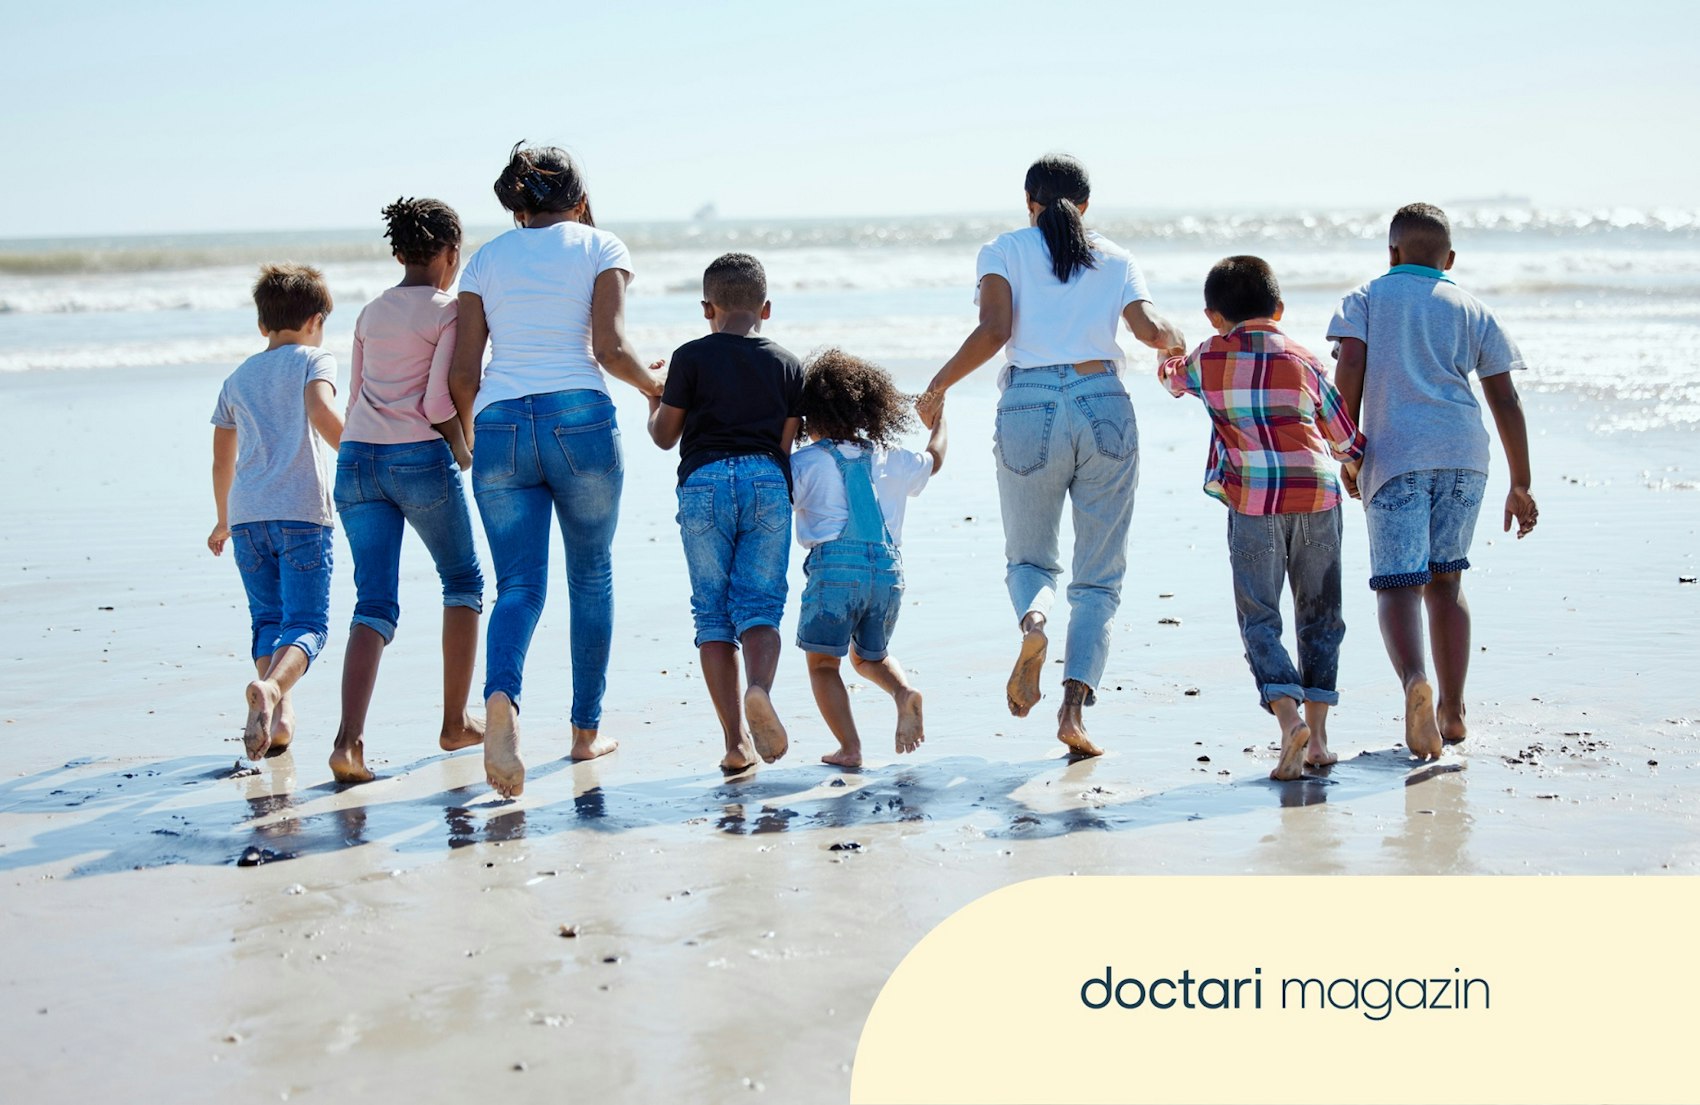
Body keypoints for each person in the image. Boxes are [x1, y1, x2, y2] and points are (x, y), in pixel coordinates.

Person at [917, 154, 1184, 758]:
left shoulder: (1003, 249)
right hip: (1103, 404)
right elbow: (1147, 330)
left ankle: (1034, 627)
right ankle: (1071, 714)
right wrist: (1178, 339)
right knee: (1099, 574)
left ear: (1028, 201)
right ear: (1086, 206)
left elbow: (993, 332)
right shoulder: (1115, 257)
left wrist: (937, 388)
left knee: (1031, 559)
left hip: (1029, 405)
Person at [449, 142, 665, 798]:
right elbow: (608, 347)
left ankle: (501, 702)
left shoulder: (484, 260)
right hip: (580, 418)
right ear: (578, 199)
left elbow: (462, 372)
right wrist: (655, 390)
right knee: (591, 576)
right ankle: (583, 732)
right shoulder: (600, 246)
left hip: (500, 425)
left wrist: (468, 439)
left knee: (517, 586)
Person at [1327, 203, 1538, 760]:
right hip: (1466, 456)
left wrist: (1346, 450)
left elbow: (1348, 368)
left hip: (1396, 456)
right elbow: (1505, 399)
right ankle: (1452, 708)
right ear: (1449, 258)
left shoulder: (1366, 298)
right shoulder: (1471, 307)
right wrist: (1521, 482)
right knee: (1447, 579)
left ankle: (1414, 681)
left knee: (1398, 583)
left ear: (1391, 252)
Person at [1159, 256, 1365, 779]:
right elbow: (1343, 437)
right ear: (1279, 307)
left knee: (1259, 617)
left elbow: (1172, 379)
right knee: (1321, 616)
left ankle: (1288, 718)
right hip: (1317, 498)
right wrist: (1356, 464)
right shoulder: (1305, 359)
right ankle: (1317, 741)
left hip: (1252, 505)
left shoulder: (1207, 358)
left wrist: (1169, 354)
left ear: (1212, 316)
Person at [328, 198, 485, 785]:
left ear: (399, 253)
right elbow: (438, 402)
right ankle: (453, 722)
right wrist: (465, 452)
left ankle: (348, 742)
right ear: (451, 253)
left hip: (356, 459)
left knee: (372, 603)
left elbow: (354, 397)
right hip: (418, 457)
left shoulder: (370, 312)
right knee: (463, 581)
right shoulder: (448, 311)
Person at [646, 253, 803, 773]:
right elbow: (785, 445)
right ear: (767, 307)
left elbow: (666, 438)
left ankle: (736, 744)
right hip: (765, 479)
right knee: (760, 605)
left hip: (704, 482)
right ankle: (759, 689)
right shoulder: (787, 364)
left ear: (706, 308)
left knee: (712, 614)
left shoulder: (689, 358)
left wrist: (656, 397)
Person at [207, 263, 343, 761]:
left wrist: (223, 518)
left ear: (262, 325)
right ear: (315, 319)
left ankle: (279, 716)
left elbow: (222, 458)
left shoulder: (237, 378)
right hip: (302, 510)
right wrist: (360, 453)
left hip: (247, 514)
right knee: (307, 623)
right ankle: (270, 693)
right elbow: (322, 414)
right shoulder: (315, 360)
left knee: (267, 618)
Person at [791, 348, 946, 769]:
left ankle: (850, 747)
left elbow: (775, 490)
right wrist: (938, 424)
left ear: (809, 416)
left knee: (824, 665)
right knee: (869, 657)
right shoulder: (891, 457)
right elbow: (934, 460)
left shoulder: (805, 462)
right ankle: (903, 693)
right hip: (888, 575)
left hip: (836, 574)